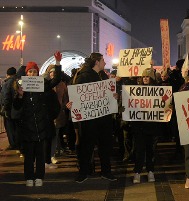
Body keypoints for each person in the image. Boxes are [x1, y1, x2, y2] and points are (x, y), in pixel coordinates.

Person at [13, 51, 62, 187]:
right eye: (30, 72)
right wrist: (20, 95)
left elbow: (56, 80)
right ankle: (29, 177)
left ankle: (39, 177)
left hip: (41, 127)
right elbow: (16, 106)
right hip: (27, 127)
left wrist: (57, 64)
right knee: (29, 156)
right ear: (26, 73)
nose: (32, 74)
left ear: (38, 73)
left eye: (34, 72)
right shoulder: (21, 86)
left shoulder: (43, 85)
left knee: (40, 155)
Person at [71, 52, 117, 183]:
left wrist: (113, 97)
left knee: (105, 146)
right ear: (97, 62)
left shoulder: (101, 76)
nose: (105, 63)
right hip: (89, 120)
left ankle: (106, 172)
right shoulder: (84, 76)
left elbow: (107, 95)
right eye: (103, 60)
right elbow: (77, 96)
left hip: (103, 118)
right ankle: (83, 172)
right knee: (87, 146)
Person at [132, 68, 161, 184]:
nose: (145, 78)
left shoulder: (158, 91)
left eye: (148, 76)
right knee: (139, 150)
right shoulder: (135, 90)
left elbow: (163, 103)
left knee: (151, 150)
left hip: (152, 126)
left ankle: (150, 171)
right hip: (139, 126)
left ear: (152, 78)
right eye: (143, 76)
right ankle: (137, 171)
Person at [0, 67, 19, 150]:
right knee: (16, 127)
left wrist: (4, 109)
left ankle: (13, 144)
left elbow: (5, 97)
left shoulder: (7, 83)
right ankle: (17, 144)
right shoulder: (18, 81)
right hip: (16, 109)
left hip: (9, 109)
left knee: (10, 128)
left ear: (7, 75)